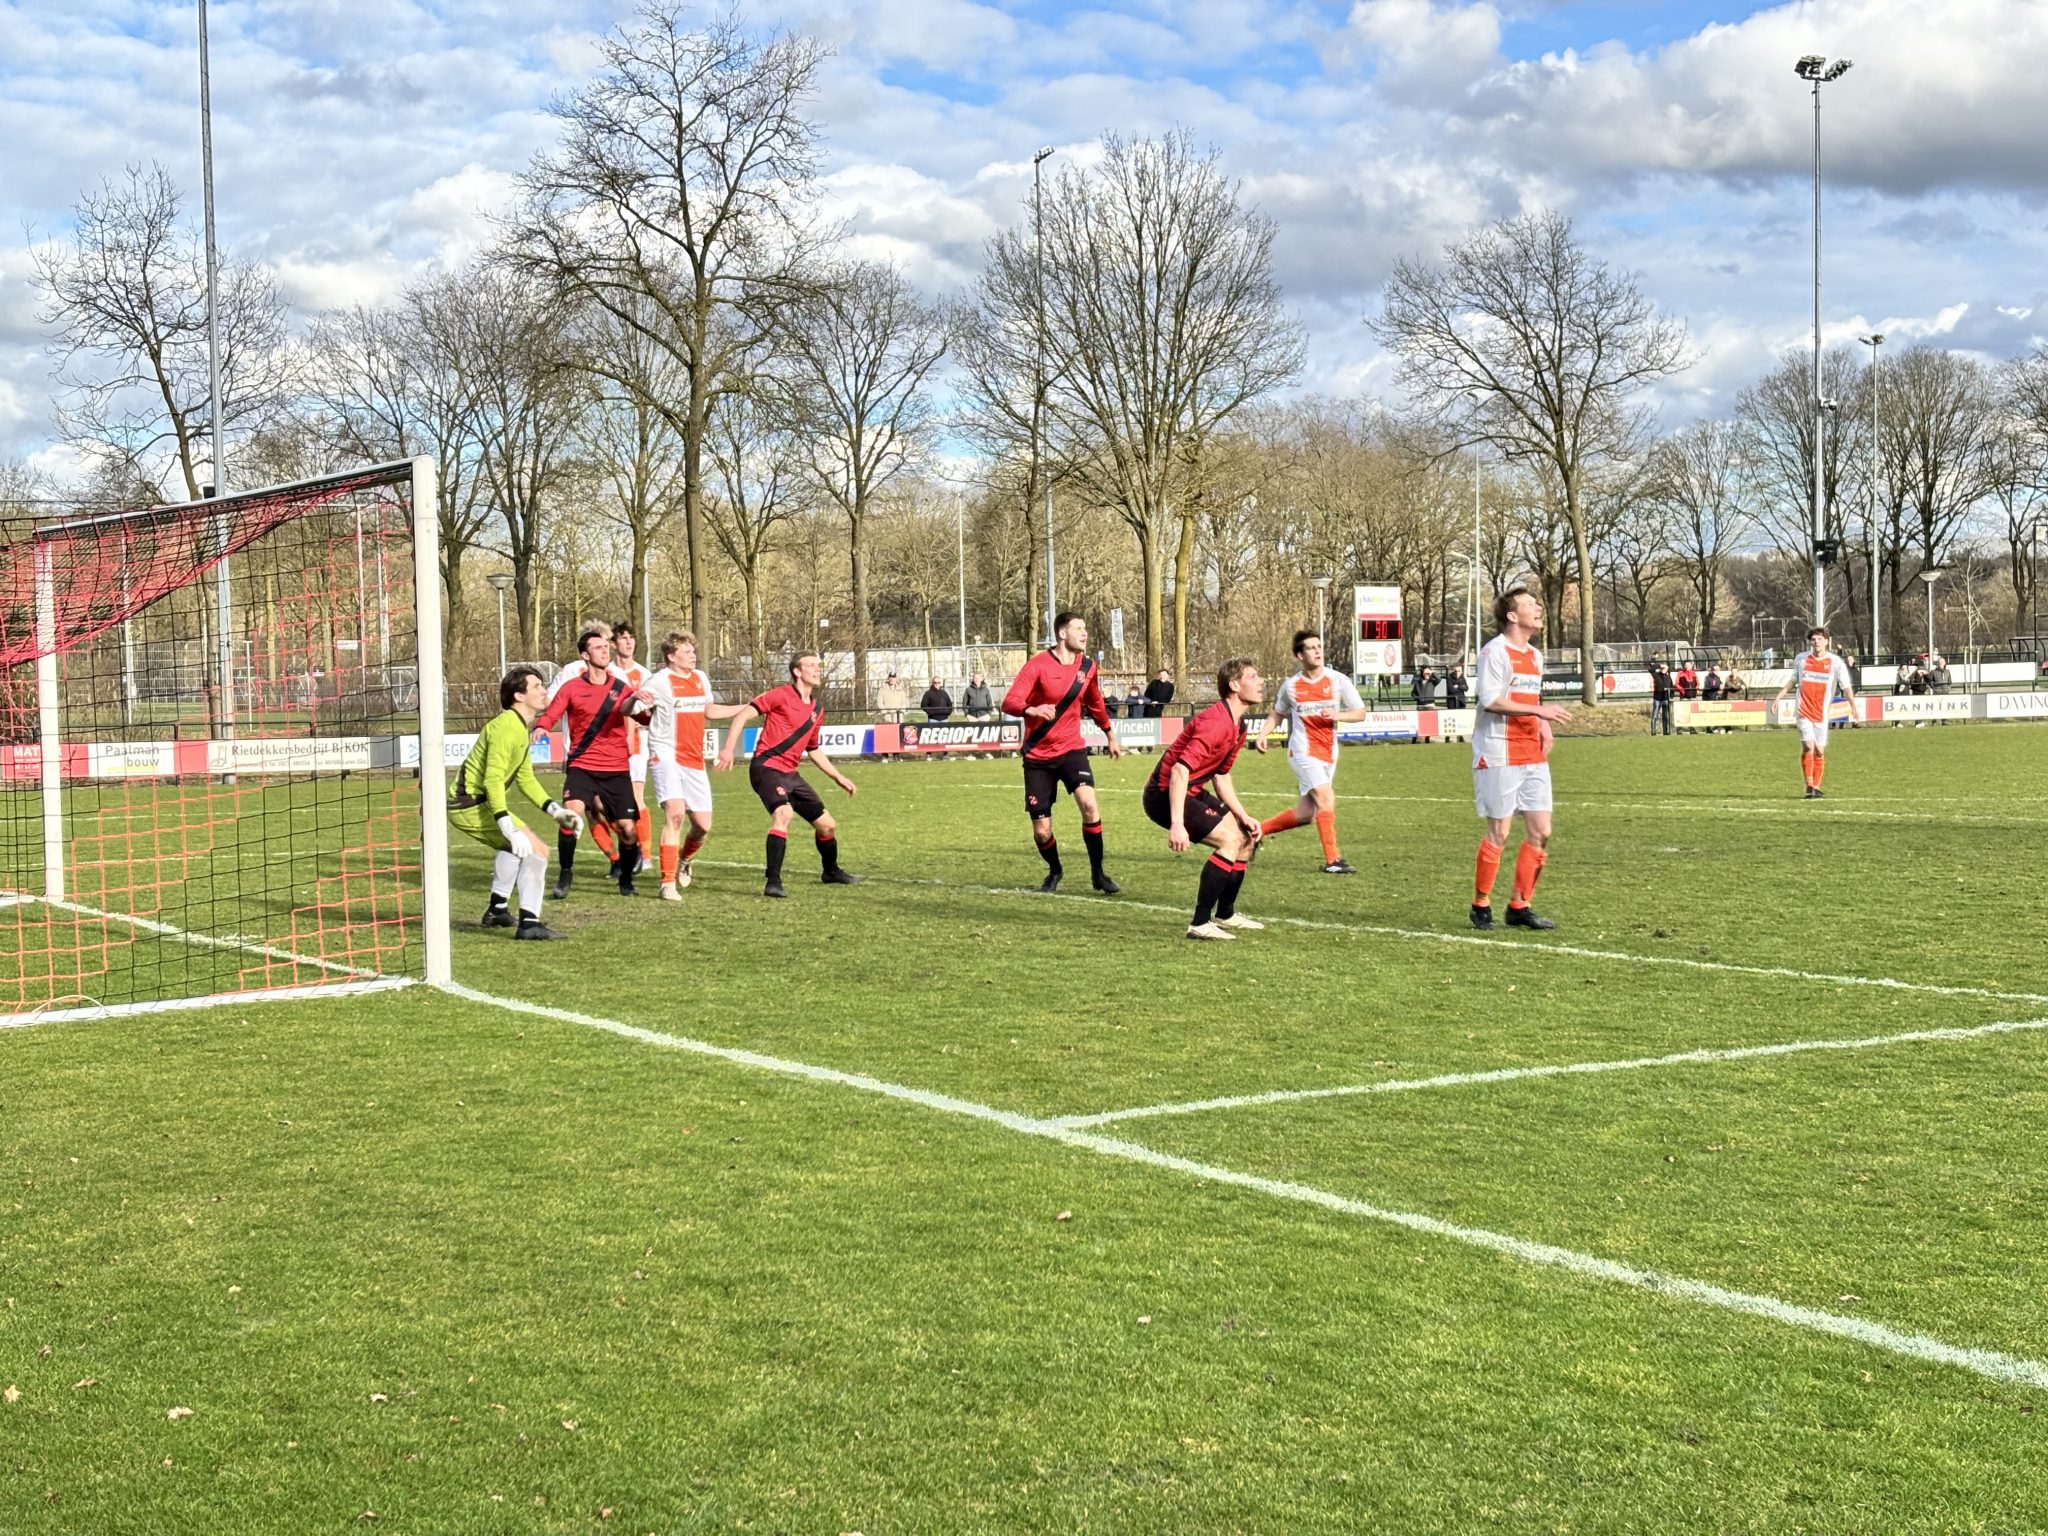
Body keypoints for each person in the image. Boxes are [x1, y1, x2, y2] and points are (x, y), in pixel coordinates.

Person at [447, 666, 581, 940]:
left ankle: (497, 910)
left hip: (477, 804)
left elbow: (526, 778)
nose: (544, 691)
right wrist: (506, 824)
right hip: (469, 806)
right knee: (537, 850)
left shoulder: (518, 726)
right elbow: (493, 780)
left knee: (516, 846)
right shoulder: (507, 728)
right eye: (536, 686)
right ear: (519, 695)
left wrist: (556, 811)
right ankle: (529, 924)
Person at [713, 652, 862, 898]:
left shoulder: (817, 709)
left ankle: (831, 871)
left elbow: (812, 749)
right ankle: (773, 881)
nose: (817, 669)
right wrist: (729, 748)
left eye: (819, 665)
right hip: (766, 768)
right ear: (796, 671)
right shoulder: (779, 695)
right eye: (811, 665)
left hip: (790, 774)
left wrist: (838, 777)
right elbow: (743, 714)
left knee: (827, 826)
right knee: (784, 814)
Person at [1144, 656, 1268, 940]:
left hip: (1191, 790)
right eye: (1253, 677)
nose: (1260, 682)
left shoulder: (1238, 725)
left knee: (1246, 837)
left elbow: (1221, 775)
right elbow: (1178, 771)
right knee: (1229, 841)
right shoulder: (1216, 723)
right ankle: (1200, 923)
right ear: (1234, 685)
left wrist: (1243, 815)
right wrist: (1177, 824)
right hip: (1164, 794)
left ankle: (1225, 915)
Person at [1470, 588, 1572, 931]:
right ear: (1512, 616)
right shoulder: (1494, 652)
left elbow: (1532, 695)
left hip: (1531, 751)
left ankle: (1519, 905)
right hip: (1498, 750)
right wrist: (1538, 710)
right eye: (1530, 604)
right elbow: (1490, 700)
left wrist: (1542, 724)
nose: (1539, 608)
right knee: (1499, 831)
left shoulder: (1535, 655)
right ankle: (1481, 903)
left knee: (1542, 830)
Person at [1001, 611, 1122, 894]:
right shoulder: (1038, 666)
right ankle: (1055, 871)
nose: (1085, 633)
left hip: (1071, 750)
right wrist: (1032, 709)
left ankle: (1098, 873)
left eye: (1085, 628)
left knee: (1090, 805)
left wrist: (1110, 735)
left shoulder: (1088, 667)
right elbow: (1009, 701)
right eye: (1078, 628)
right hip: (1038, 758)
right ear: (1062, 634)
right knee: (1042, 830)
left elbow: (1094, 702)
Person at [533, 627, 649, 898]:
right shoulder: (571, 687)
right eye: (598, 647)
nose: (605, 650)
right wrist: (541, 727)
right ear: (585, 655)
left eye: (606, 646)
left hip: (617, 768)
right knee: (571, 816)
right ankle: (565, 874)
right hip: (582, 766)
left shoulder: (621, 688)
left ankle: (627, 879)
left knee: (628, 830)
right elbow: (552, 712)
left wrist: (653, 710)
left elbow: (641, 716)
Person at [634, 630, 749, 901]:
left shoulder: (700, 678)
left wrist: (747, 706)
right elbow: (631, 708)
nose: (693, 655)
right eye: (686, 652)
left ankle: (684, 860)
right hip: (665, 754)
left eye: (693, 651)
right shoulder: (659, 681)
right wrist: (632, 702)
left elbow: (710, 711)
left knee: (703, 826)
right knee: (674, 813)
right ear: (671, 657)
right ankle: (667, 883)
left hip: (694, 759)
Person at [1256, 628, 1367, 874]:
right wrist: (1263, 734)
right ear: (1299, 655)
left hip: (1329, 752)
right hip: (1302, 751)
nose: (1317, 651)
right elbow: (1278, 713)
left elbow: (1360, 712)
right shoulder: (1291, 686)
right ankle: (1332, 860)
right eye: (1311, 648)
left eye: (1319, 646)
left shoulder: (1338, 680)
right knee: (1326, 797)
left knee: (1305, 814)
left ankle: (1256, 831)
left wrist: (1339, 715)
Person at [1773, 625, 1856, 799]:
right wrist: (1779, 697)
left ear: (1826, 641)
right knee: (1808, 746)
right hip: (1803, 709)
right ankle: (1809, 785)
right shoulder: (1801, 659)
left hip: (1821, 713)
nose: (1816, 642)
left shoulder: (1835, 662)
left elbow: (1846, 686)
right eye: (1813, 639)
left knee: (1819, 750)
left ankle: (1816, 787)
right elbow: (1793, 681)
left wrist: (1853, 706)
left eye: (1819, 639)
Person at [612, 621, 654, 873]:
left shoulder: (644, 675)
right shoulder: (606, 672)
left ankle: (645, 855)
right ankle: (625, 853)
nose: (628, 642)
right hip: (608, 745)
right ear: (614, 643)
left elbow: (649, 710)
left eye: (631, 637)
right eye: (623, 638)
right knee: (609, 805)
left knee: (636, 798)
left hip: (637, 744)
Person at [1648, 662, 1675, 735]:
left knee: (1665, 716)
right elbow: (1650, 669)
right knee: (1655, 716)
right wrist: (1659, 665)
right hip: (1657, 699)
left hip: (1666, 699)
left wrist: (1671, 697)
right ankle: (1653, 731)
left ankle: (1665, 731)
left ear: (1667, 669)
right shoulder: (1656, 675)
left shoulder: (1669, 678)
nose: (1663, 669)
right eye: (1662, 668)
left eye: (1665, 668)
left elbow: (1672, 688)